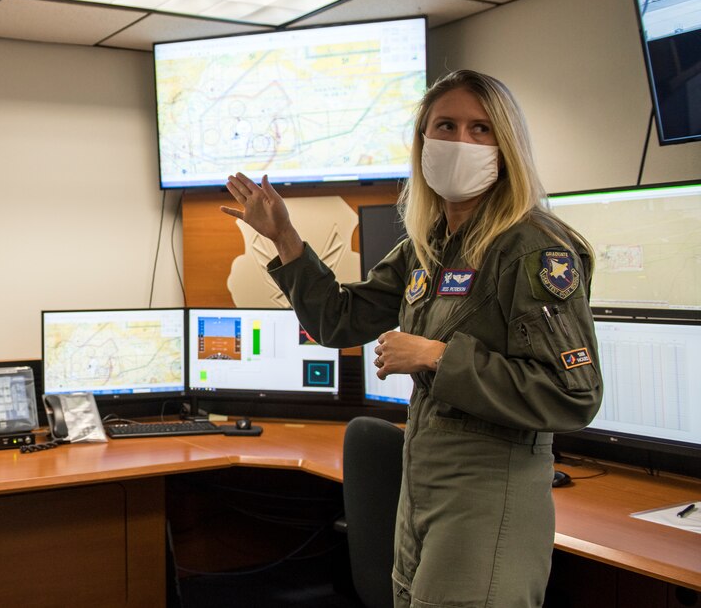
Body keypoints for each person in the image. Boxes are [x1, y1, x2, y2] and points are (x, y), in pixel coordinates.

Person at [223, 70, 602, 607]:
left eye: (480, 129)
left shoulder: (533, 249)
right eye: (444, 126)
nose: (460, 142)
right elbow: (339, 321)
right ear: (423, 141)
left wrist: (436, 356)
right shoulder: (429, 245)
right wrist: (283, 236)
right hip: (423, 479)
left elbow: (574, 393)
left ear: (507, 146)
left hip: (490, 485)